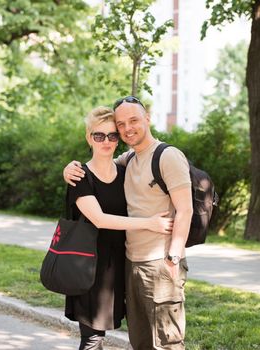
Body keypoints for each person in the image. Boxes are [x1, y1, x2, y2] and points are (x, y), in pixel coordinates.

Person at [64, 97, 193, 349]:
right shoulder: (129, 160)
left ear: (147, 118)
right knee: (141, 342)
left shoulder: (168, 156)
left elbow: (185, 210)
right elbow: (99, 179)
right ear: (89, 137)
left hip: (161, 263)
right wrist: (68, 169)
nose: (125, 129)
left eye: (133, 120)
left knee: (166, 343)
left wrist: (174, 257)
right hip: (130, 264)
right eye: (120, 124)